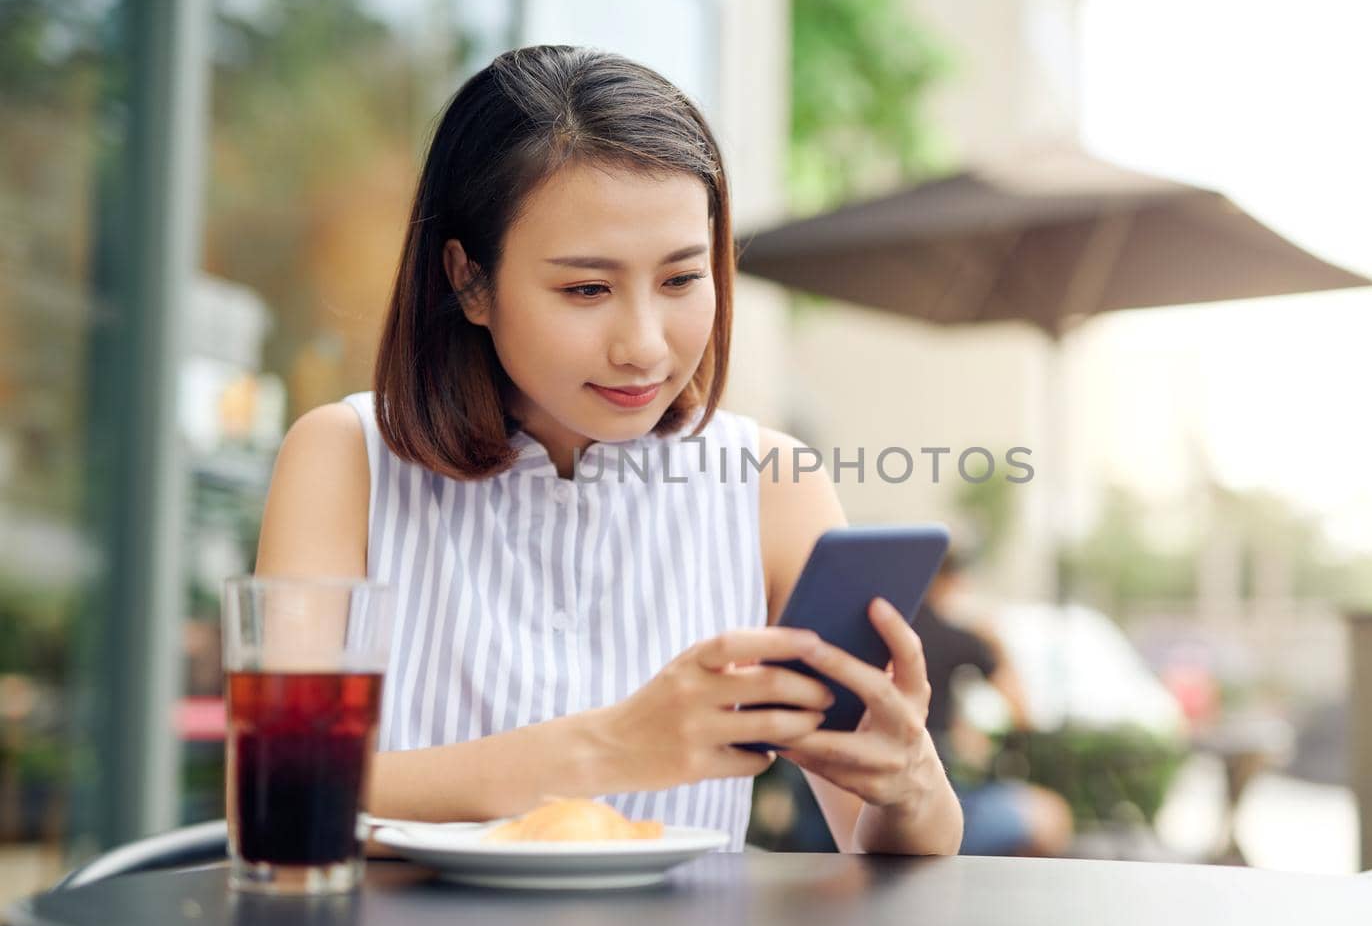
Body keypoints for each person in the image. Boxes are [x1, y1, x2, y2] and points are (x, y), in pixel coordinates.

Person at [253, 45, 961, 855]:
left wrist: (907, 785)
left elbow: (882, 842)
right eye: (586, 289)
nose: (645, 346)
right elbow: (279, 798)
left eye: (681, 279)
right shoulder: (347, 461)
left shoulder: (772, 485)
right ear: (469, 280)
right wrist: (613, 745)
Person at [913, 553, 1073, 857]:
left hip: (831, 816)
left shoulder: (875, 629)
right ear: (952, 581)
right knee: (1051, 815)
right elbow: (1023, 712)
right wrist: (995, 643)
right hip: (926, 808)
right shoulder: (954, 636)